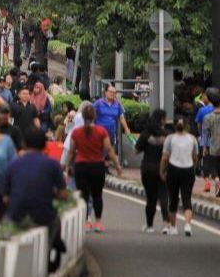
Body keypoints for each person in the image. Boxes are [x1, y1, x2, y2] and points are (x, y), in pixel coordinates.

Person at [0, 127, 68, 244]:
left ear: (24, 143)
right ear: (44, 145)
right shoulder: (53, 164)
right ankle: (53, 249)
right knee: (56, 222)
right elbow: (63, 194)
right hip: (43, 215)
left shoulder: (13, 164)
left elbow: (5, 197)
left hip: (16, 215)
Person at [63, 104, 122, 232]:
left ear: (82, 117)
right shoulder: (101, 131)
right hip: (97, 166)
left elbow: (71, 152)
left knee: (83, 195)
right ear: (95, 117)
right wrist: (117, 165)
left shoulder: (77, 132)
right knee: (97, 195)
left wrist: (67, 166)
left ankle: (85, 221)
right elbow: (109, 149)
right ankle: (98, 222)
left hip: (81, 166)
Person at [160, 118, 199, 237]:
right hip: (188, 170)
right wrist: (192, 167)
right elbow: (195, 156)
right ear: (187, 125)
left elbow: (165, 157)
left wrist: (162, 171)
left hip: (173, 170)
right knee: (186, 198)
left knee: (173, 198)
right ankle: (187, 225)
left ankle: (173, 226)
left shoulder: (170, 139)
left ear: (174, 126)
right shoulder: (192, 139)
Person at [135, 109, 171, 234]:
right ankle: (166, 224)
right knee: (164, 196)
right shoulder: (167, 134)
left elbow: (136, 150)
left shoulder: (145, 134)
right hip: (163, 169)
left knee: (151, 198)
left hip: (147, 168)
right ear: (162, 120)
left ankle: (149, 225)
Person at [93, 84, 131, 148]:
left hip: (111, 135)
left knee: (110, 152)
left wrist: (126, 128)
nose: (112, 94)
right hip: (99, 134)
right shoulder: (98, 103)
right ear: (105, 92)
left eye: (114, 93)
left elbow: (121, 117)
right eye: (110, 92)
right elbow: (89, 113)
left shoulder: (117, 105)